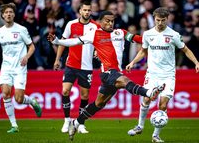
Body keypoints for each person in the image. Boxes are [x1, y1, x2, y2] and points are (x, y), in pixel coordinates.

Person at [48, 10, 166, 141]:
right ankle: (149, 93)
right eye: (107, 21)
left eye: (112, 21)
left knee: (99, 104)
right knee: (125, 81)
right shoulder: (94, 34)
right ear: (101, 22)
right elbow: (75, 41)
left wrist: (153, 38)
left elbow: (136, 38)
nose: (110, 23)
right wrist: (57, 41)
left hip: (116, 71)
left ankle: (75, 123)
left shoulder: (120, 32)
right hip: (107, 71)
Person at [126, 7, 199, 142]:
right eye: (158, 20)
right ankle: (140, 126)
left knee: (163, 104)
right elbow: (143, 51)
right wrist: (132, 62)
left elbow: (186, 50)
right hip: (152, 74)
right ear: (154, 19)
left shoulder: (174, 35)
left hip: (168, 75)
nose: (160, 23)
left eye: (163, 20)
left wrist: (196, 62)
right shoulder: (148, 34)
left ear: (167, 19)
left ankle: (155, 135)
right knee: (146, 99)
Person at [53, 1, 101, 134]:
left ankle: (80, 124)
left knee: (84, 95)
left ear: (91, 11)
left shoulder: (96, 26)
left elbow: (100, 43)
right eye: (84, 10)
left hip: (86, 67)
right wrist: (57, 60)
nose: (87, 12)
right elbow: (62, 42)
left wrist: (97, 51)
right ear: (80, 11)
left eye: (89, 10)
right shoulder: (71, 24)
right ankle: (67, 119)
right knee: (65, 91)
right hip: (71, 64)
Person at [0, 3, 42, 133]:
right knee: (6, 94)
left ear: (13, 14)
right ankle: (14, 125)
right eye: (6, 12)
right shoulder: (0, 31)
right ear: (2, 15)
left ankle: (32, 102)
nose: (8, 14)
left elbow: (32, 47)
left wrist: (26, 58)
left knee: (18, 98)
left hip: (19, 68)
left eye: (10, 12)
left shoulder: (21, 29)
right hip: (6, 68)